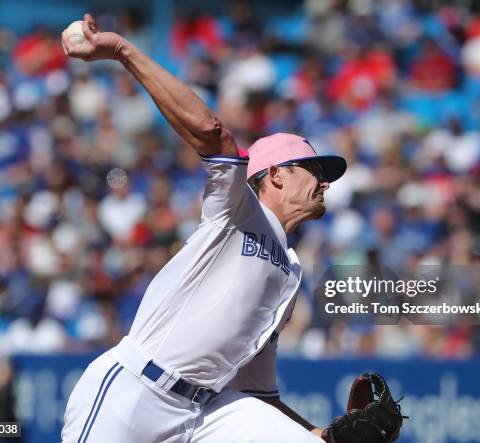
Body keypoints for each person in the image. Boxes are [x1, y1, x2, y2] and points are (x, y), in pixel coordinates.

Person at [60, 14, 347, 443]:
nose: (323, 181)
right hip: (136, 392)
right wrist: (122, 50)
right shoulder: (238, 208)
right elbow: (212, 134)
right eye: (313, 169)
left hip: (204, 414)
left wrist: (319, 433)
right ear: (277, 175)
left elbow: (255, 393)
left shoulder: (290, 270)